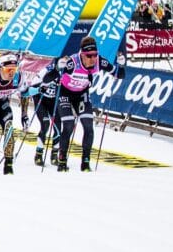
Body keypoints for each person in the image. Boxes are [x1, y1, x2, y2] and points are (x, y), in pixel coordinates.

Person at [53, 35, 126, 172]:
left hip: (81, 94)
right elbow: (50, 76)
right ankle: (62, 160)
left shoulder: (99, 62)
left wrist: (121, 65)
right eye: (89, 56)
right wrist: (58, 67)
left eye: (95, 55)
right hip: (65, 93)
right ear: (82, 54)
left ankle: (85, 162)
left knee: (88, 126)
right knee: (68, 125)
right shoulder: (72, 63)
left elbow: (119, 75)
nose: (93, 58)